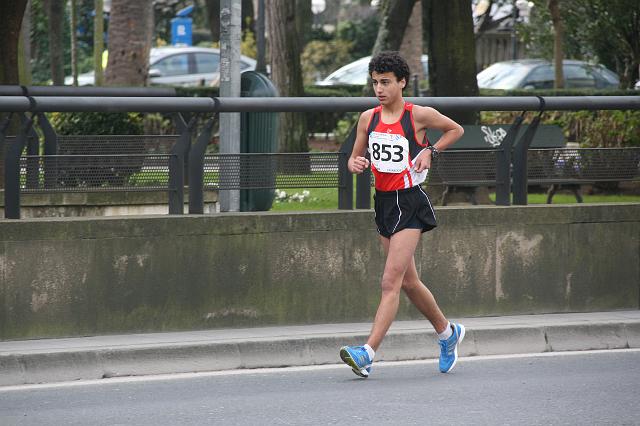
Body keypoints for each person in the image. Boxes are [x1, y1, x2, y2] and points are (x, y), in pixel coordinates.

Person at [339, 51, 465, 378]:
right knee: (409, 282)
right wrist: (356, 164)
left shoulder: (418, 115)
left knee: (389, 282)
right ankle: (447, 333)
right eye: (375, 83)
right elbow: (355, 158)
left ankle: (366, 353)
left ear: (402, 82)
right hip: (383, 203)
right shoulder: (368, 118)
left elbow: (455, 130)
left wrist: (430, 150)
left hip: (409, 203)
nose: (379, 89)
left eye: (385, 82)